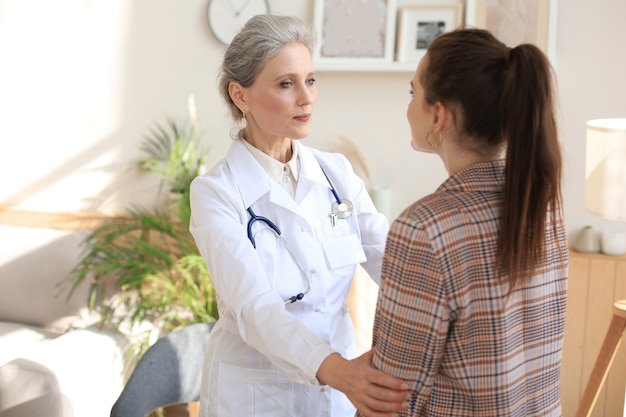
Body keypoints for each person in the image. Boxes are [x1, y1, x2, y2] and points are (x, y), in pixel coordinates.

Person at [189, 14, 409, 417]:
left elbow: (394, 261)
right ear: (240, 95)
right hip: (257, 398)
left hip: (338, 395)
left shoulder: (336, 174)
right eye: (286, 84)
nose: (306, 98)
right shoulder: (216, 193)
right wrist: (339, 371)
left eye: (310, 80)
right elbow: (255, 307)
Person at [366, 28, 569, 416]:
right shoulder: (544, 208)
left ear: (439, 115)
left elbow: (390, 397)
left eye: (414, 94)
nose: (409, 107)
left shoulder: (425, 229)